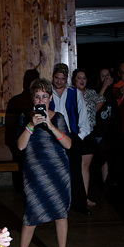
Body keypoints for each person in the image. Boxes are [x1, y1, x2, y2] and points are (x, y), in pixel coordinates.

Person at [15, 77, 72, 247]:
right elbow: (21, 145)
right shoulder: (25, 118)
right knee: (30, 215)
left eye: (44, 96)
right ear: (33, 99)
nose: (41, 100)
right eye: (37, 97)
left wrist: (50, 125)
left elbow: (68, 144)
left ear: (50, 98)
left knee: (60, 214)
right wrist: (31, 124)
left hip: (58, 172)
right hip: (35, 174)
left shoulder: (58, 118)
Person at [49, 63, 88, 216]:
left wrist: (79, 138)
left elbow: (84, 118)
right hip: (52, 138)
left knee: (75, 173)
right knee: (54, 172)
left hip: (71, 137)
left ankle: (80, 205)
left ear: (67, 79)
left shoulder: (75, 93)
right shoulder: (47, 92)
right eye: (56, 78)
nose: (59, 82)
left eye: (62, 79)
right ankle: (54, 206)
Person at [73, 69, 105, 209]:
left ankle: (84, 198)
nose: (82, 80)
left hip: (88, 134)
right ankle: (72, 198)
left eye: (84, 78)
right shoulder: (70, 93)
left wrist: (91, 113)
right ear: (74, 80)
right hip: (74, 134)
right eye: (79, 78)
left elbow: (101, 100)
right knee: (73, 167)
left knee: (85, 167)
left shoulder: (91, 93)